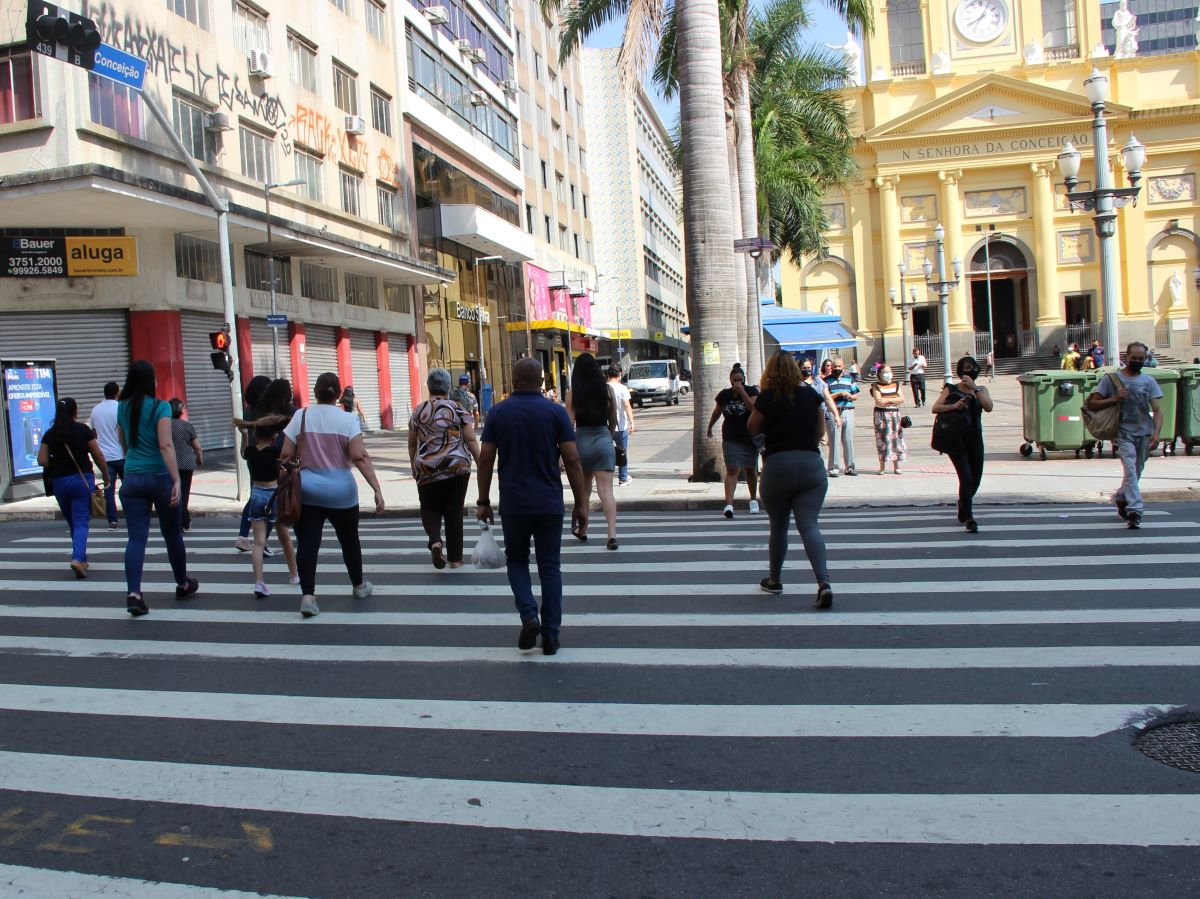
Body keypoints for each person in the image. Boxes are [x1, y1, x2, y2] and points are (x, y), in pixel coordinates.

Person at [476, 357, 588, 656]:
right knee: (550, 566)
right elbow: (572, 459)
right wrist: (581, 504)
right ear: (542, 382)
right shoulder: (556, 412)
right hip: (549, 502)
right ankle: (551, 635)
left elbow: (485, 459)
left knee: (517, 561)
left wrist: (483, 501)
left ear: (513, 382)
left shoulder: (498, 413)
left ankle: (528, 615)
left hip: (514, 503)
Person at [282, 372, 385, 618]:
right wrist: (376, 489)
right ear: (338, 394)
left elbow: (285, 455)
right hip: (342, 492)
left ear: (315, 392)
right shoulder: (347, 419)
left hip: (308, 492)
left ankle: (308, 597)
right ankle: (359, 586)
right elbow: (359, 456)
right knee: (349, 540)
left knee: (308, 543)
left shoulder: (301, 416)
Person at [747, 351, 832, 608]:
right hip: (811, 465)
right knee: (809, 525)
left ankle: (775, 580)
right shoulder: (811, 394)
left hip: (778, 466)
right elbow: (820, 430)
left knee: (779, 526)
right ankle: (823, 582)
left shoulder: (767, 397)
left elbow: (752, 427)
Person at [117, 360, 198, 616]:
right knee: (172, 534)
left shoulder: (122, 407)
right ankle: (182, 583)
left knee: (136, 538)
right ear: (151, 381)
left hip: (132, 478)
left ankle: (134, 594)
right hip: (160, 477)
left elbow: (123, 441)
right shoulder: (160, 407)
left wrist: (133, 459)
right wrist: (176, 479)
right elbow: (165, 445)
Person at [409, 367, 481, 569]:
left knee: (429, 507)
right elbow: (470, 439)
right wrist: (481, 463)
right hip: (456, 467)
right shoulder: (458, 408)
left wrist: (414, 464)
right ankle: (455, 560)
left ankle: (435, 540)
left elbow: (412, 443)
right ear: (449, 387)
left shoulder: (418, 411)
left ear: (429, 387)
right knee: (454, 511)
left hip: (426, 467)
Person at [1085, 342, 1164, 529]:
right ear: (1126, 357)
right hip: (1123, 432)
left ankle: (1121, 496)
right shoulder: (1111, 380)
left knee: (1136, 470)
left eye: (1140, 359)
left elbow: (1157, 410)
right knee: (1130, 469)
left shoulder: (1148, 381)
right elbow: (1092, 404)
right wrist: (1115, 399)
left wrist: (1156, 433)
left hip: (1144, 432)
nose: (1137, 361)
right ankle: (1135, 510)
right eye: (1133, 358)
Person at [38, 397, 109, 579]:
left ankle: (82, 558)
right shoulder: (83, 430)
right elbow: (98, 455)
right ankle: (77, 558)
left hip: (59, 482)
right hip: (81, 480)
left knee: (73, 521)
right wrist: (106, 475)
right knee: (81, 521)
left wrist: (57, 461)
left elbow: (42, 460)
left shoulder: (50, 434)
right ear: (74, 412)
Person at [931, 356, 994, 533]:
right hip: (955, 438)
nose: (969, 370)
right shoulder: (950, 389)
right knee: (966, 478)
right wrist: (954, 406)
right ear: (960, 371)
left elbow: (989, 407)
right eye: (965, 367)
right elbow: (935, 408)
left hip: (975, 438)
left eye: (972, 367)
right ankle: (969, 517)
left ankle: (963, 504)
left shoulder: (981, 389)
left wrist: (975, 388)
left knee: (976, 479)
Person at [566, 353, 620, 550]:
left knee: (584, 492)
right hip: (603, 440)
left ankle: (583, 529)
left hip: (582, 442)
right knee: (606, 491)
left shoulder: (573, 393)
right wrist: (607, 436)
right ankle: (611, 535)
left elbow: (569, 423)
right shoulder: (607, 390)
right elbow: (613, 420)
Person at [243, 417, 299, 597]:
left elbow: (244, 452)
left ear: (256, 435)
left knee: (258, 543)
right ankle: (294, 575)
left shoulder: (250, 451)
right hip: (273, 495)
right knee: (285, 539)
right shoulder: (275, 452)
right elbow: (288, 464)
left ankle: (259, 583)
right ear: (274, 437)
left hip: (256, 495)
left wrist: (244, 436)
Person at [706, 363, 760, 518]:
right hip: (731, 437)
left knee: (750, 470)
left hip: (749, 437)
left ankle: (753, 500)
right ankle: (729, 505)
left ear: (744, 379)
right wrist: (710, 426)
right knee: (732, 470)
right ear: (730, 380)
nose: (738, 383)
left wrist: (742, 392)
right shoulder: (724, 395)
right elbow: (717, 412)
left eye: (740, 380)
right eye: (735, 380)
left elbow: (753, 408)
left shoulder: (751, 391)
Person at [234, 375, 273, 554]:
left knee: (256, 496)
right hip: (269, 456)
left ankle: (243, 536)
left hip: (253, 457)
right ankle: (263, 541)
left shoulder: (249, 410)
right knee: (273, 498)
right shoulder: (268, 411)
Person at [89, 381, 123, 530]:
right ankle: (133, 514)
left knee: (109, 488)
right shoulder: (121, 408)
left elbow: (94, 433)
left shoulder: (95, 410)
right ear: (117, 392)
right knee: (129, 487)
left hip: (105, 457)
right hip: (122, 455)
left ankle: (112, 521)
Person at [168, 399, 203, 532]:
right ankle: (183, 521)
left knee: (173, 493)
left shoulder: (164, 426)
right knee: (184, 493)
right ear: (180, 411)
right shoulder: (187, 426)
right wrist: (199, 459)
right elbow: (197, 447)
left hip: (170, 464)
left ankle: (181, 520)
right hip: (187, 464)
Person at [825, 357, 860, 476]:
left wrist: (850, 396)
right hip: (834, 411)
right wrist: (839, 394)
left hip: (848, 411)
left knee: (848, 440)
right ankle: (833, 468)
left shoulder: (849, 379)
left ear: (843, 367)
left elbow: (856, 395)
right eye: (834, 366)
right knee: (834, 441)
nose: (837, 368)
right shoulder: (827, 380)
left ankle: (850, 467)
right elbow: (826, 396)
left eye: (839, 366)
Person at [870, 365, 906, 475]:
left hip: (894, 414)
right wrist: (894, 400)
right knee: (882, 439)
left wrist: (888, 400)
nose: (888, 374)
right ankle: (882, 466)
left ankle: (896, 466)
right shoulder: (876, 386)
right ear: (879, 374)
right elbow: (879, 401)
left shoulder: (896, 384)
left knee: (896, 438)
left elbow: (902, 398)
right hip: (881, 414)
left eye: (889, 372)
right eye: (885, 372)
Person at [606, 365, 636, 485]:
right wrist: (631, 422)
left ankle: (605, 478)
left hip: (606, 426)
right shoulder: (622, 388)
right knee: (622, 451)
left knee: (606, 452)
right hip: (620, 425)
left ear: (608, 375)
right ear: (620, 374)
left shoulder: (603, 388)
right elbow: (627, 405)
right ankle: (623, 478)